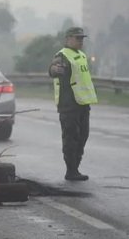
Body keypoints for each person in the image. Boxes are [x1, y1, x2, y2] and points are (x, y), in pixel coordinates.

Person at [49, 27, 97, 181]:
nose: (81, 41)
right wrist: (54, 69)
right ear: (68, 39)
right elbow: (53, 69)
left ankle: (75, 166)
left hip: (83, 103)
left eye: (82, 38)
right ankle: (71, 170)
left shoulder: (81, 55)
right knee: (71, 137)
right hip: (69, 105)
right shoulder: (62, 55)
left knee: (83, 136)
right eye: (78, 38)